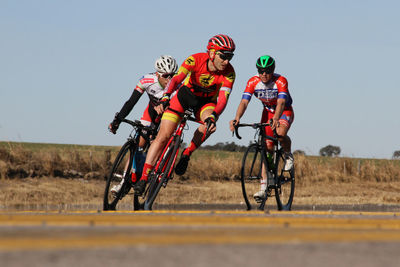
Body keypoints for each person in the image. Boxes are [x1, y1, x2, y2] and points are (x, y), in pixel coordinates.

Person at [134, 34, 236, 195]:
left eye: (230, 57)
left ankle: (187, 153)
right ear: (211, 53)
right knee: (163, 136)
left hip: (205, 104)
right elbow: (175, 80)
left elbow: (223, 99)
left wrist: (214, 116)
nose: (227, 61)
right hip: (184, 97)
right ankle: (143, 178)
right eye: (223, 56)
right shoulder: (194, 59)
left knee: (209, 125)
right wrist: (166, 96)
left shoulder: (229, 73)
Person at [108, 55, 178, 194]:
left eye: (172, 75)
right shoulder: (146, 80)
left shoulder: (178, 86)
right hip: (151, 113)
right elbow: (131, 102)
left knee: (162, 141)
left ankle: (157, 172)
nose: (169, 80)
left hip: (169, 115)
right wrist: (117, 121)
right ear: (157, 74)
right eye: (166, 76)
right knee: (138, 144)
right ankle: (123, 182)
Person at [229, 55, 294, 201]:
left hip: (284, 111)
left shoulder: (281, 81)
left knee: (281, 133)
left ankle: (288, 154)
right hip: (267, 113)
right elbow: (244, 102)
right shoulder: (253, 82)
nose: (264, 74)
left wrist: (276, 118)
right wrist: (237, 117)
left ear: (273, 70)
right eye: (261, 71)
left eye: (267, 71)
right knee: (266, 148)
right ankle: (263, 188)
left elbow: (282, 102)